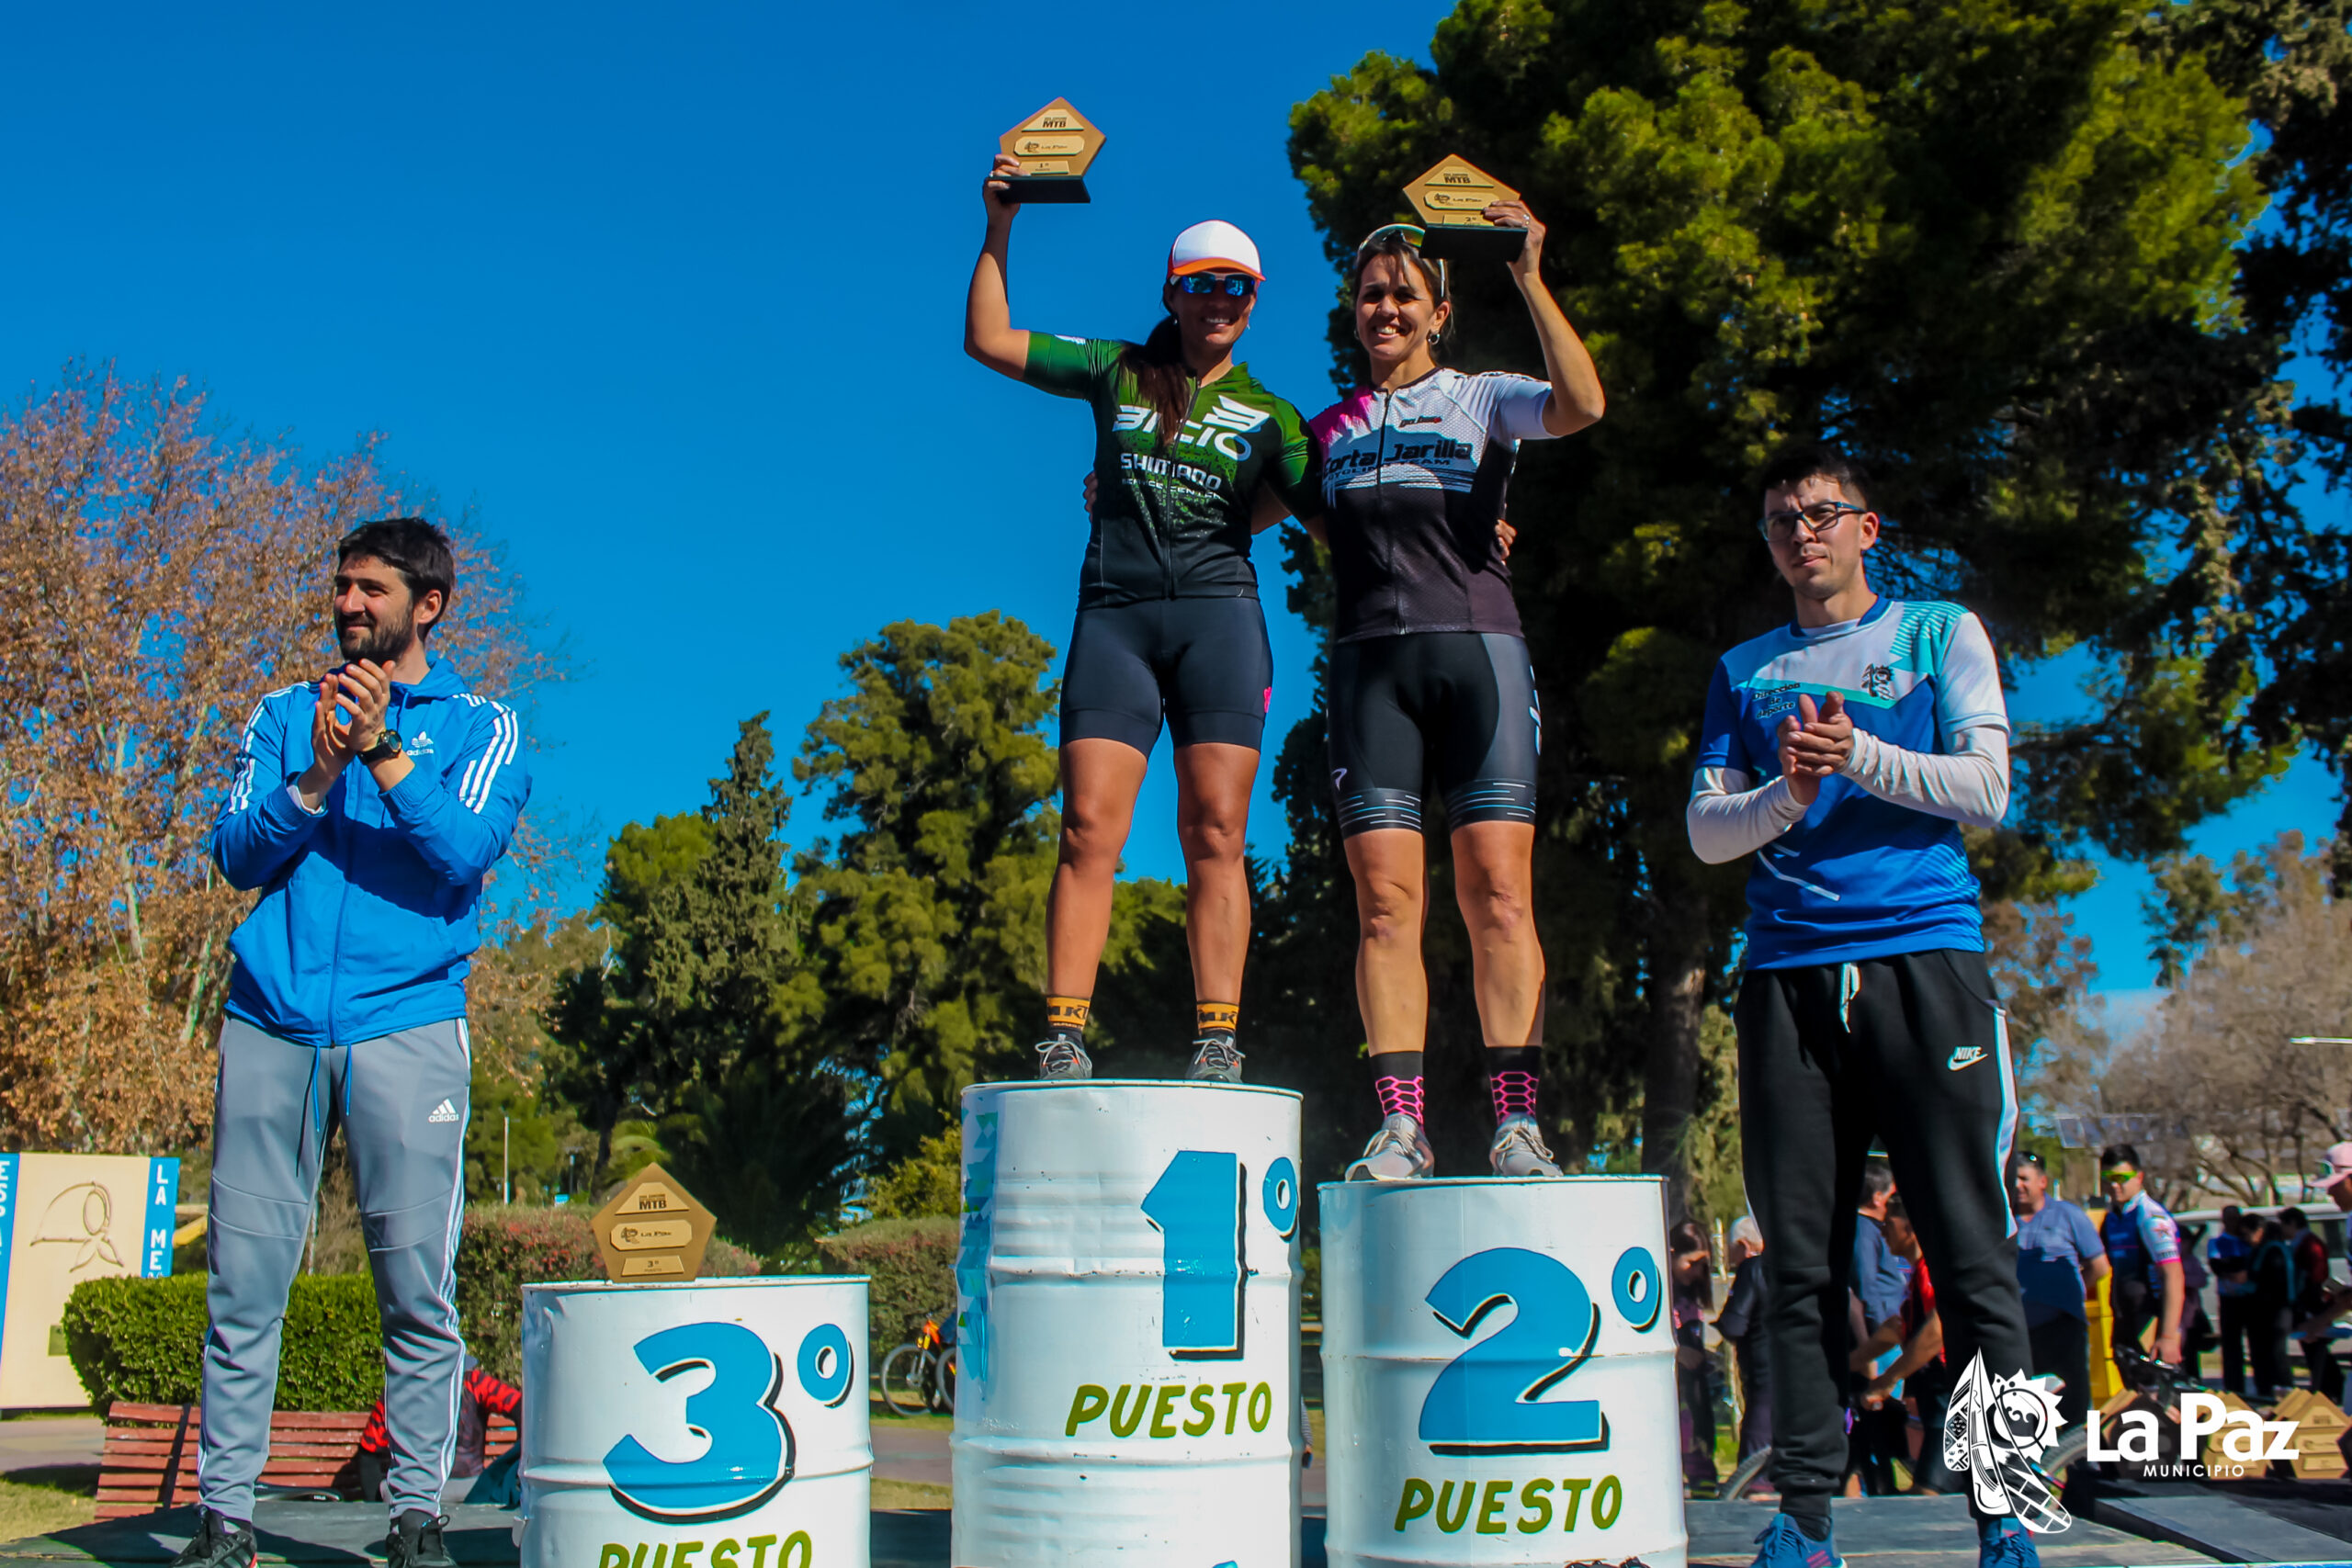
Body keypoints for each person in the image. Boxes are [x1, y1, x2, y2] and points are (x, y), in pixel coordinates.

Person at [1684, 446, 2040, 1568]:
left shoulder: (1939, 633)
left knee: (1971, 1255)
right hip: (1786, 976)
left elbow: (1987, 788)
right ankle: (1802, 1521)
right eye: (1781, 520)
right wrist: (1789, 794)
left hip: (1925, 964)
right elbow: (1706, 832)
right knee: (1798, 1266)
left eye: (1822, 513)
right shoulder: (1743, 668)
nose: (1802, 534)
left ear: (1866, 528)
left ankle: (2006, 1519)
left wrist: (1862, 756)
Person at [182, 519, 531, 1568]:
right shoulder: (284, 714)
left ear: (428, 605)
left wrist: (381, 752)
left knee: (416, 1290)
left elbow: (464, 852)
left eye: (370, 589)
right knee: (243, 1286)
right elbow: (236, 855)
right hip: (269, 1022)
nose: (346, 605)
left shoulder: (484, 726)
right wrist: (316, 775)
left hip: (408, 1027)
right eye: (341, 586)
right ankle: (223, 1521)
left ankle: (416, 1518)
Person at [965, 154, 1320, 1083]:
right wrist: (1000, 223)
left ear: (1255, 302)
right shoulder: (1116, 370)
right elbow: (989, 339)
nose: (1218, 300)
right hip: (1115, 621)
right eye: (1200, 284)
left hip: (1219, 626)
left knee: (1216, 832)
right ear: (1171, 292)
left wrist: (1473, 518)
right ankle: (1063, 1035)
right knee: (1088, 828)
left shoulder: (1274, 417)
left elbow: (1333, 516)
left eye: (1236, 287)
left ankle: (1217, 1040)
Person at [1292, 209, 1603, 1180]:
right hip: (1369, 676)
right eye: (1369, 295)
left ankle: (1517, 1123)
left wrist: (1530, 275)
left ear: (1439, 311)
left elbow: (1582, 404)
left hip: (1480, 661)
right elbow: (1241, 502)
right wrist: (1114, 490)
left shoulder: (1482, 398)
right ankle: (1402, 1128)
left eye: (1403, 295)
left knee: (1499, 896)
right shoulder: (1325, 432)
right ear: (1352, 311)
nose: (1385, 309)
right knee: (1386, 908)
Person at [1853, 1198, 1958, 1495]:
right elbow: (1898, 1328)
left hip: (1952, 1397)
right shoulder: (1917, 1274)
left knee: (1927, 1496)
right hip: (1933, 1397)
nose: (1883, 1231)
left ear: (1911, 1228)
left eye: (1889, 1223)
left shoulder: (1931, 1271)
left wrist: (1889, 1378)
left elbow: (1936, 1331)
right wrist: (1851, 1361)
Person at [2008, 1149, 2108, 1434]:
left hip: (2062, 1328)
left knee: (2071, 1403)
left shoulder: (2068, 1215)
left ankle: (2080, 1456)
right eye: (2014, 1179)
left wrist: (2069, 1292)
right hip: (2019, 1332)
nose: (2018, 1185)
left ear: (2042, 1182)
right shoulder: (2004, 1220)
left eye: (2025, 1178)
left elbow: (2099, 1266)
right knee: (2025, 1406)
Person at [356, 1355, 523, 1502]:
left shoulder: (400, 1389)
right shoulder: (475, 1382)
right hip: (469, 1488)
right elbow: (522, 1407)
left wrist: (374, 1507)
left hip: (413, 1490)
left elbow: (369, 1450)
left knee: (389, 1489)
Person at [1846, 1161, 1910, 1496]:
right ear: (1876, 1197)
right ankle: (1877, 1485)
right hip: (1880, 1339)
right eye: (1891, 1196)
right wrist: (1870, 1345)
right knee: (1877, 1414)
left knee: (1891, 1416)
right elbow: (1865, 1289)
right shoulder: (1863, 1230)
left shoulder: (1872, 1229)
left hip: (1892, 1334)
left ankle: (1885, 1476)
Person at [2097, 1146, 2185, 1370]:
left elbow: (2173, 1275)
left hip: (2151, 1320)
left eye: (2121, 1178)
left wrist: (2167, 1336)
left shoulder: (2150, 1217)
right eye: (2107, 1178)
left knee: (2157, 1388)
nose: (2114, 1185)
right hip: (2125, 1317)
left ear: (2139, 1177)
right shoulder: (2112, 1217)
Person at [1717, 1215, 1774, 1471]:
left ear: (1743, 1245)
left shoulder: (1753, 1269)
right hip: (1801, 1372)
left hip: (1764, 1374)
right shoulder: (1791, 1266)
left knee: (1755, 1466)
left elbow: (1734, 1325)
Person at [1671, 1221, 1721, 1494]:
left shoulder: (1690, 1295)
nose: (1698, 1272)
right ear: (1671, 1254)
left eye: (1703, 1265)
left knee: (1697, 1434)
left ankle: (1703, 1481)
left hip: (1695, 1386)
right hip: (1672, 1388)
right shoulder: (1659, 1294)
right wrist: (1677, 1352)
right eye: (1692, 1263)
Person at [2282, 1207, 2344, 1400]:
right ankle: (2326, 1385)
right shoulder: (2300, 1243)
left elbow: (2317, 1276)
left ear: (2293, 1223)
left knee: (2315, 1345)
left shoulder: (2310, 1244)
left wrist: (2311, 1304)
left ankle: (2329, 1387)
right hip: (2305, 1301)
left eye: (2284, 1224)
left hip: (2311, 1303)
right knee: (2311, 1347)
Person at [2209, 1205, 2256, 1396]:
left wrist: (2237, 1267)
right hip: (2228, 1298)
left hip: (2249, 1298)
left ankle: (2261, 1385)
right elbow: (2217, 1266)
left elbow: (2252, 1265)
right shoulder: (2217, 1242)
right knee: (2230, 1345)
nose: (2233, 1222)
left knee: (2255, 1343)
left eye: (2236, 1218)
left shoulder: (2249, 1241)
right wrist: (2233, 1270)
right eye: (2228, 1218)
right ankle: (2234, 1389)